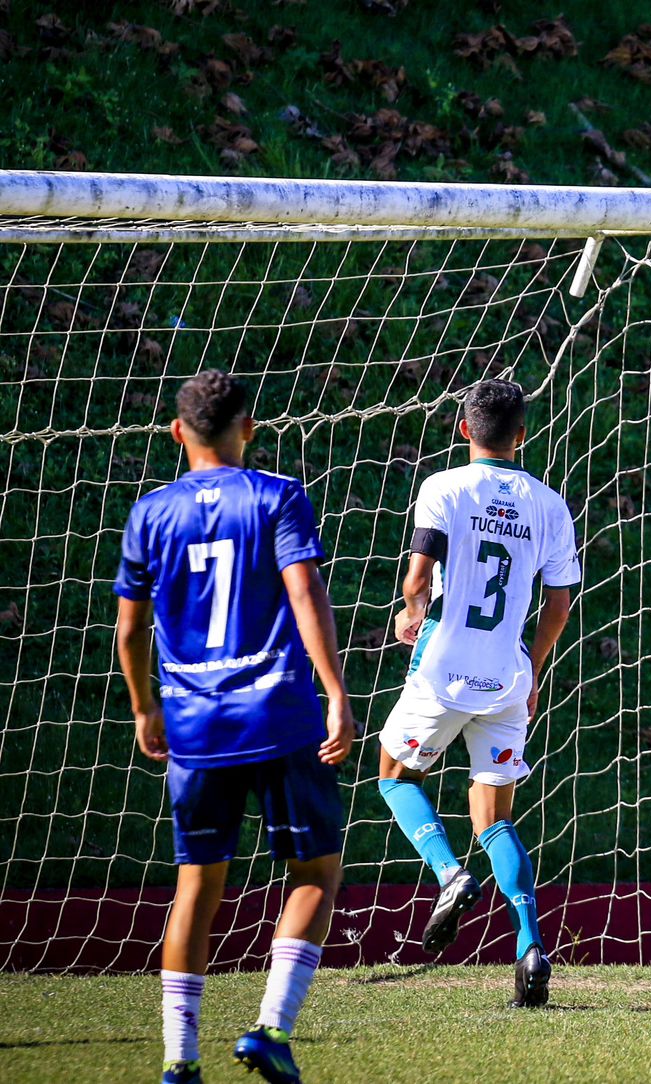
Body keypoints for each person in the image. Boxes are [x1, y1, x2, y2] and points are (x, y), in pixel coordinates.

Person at [114, 370, 354, 1084]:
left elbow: (130, 631)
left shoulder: (150, 513)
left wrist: (144, 706)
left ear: (176, 432)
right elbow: (305, 591)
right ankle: (272, 1029)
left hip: (194, 725)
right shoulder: (278, 495)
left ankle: (179, 1061)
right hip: (278, 714)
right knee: (315, 872)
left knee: (196, 885)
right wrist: (336, 692)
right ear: (247, 430)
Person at [375, 378, 579, 1008]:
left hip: (443, 666)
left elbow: (417, 580)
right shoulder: (550, 504)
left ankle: (449, 873)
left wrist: (412, 616)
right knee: (496, 817)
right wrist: (533, 668)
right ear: (522, 435)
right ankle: (530, 947)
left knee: (394, 776)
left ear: (464, 429)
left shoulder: (444, 487)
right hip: (507, 675)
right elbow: (558, 604)